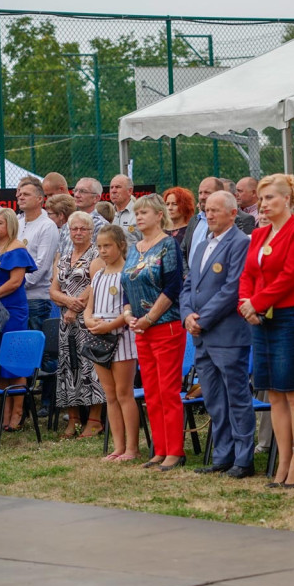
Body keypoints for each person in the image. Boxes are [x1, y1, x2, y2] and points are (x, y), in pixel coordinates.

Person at [239, 174, 294, 487]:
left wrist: (255, 302)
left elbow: (290, 276)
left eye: (270, 198)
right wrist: (246, 302)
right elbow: (247, 273)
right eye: (262, 198)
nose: (264, 203)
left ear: (287, 200)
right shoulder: (258, 234)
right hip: (261, 319)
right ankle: (282, 463)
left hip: (290, 316)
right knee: (274, 394)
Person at [181, 191, 255, 477]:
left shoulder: (240, 243)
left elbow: (233, 288)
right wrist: (188, 314)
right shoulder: (201, 246)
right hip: (201, 335)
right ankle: (223, 455)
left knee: (236, 397)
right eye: (206, 210)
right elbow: (189, 285)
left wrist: (204, 319)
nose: (209, 215)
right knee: (213, 398)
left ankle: (243, 458)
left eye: (215, 210)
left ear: (233, 213)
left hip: (227, 334)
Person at [122, 194, 187, 471]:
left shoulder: (168, 245)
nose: (139, 217)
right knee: (150, 392)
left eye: (145, 212)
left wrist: (149, 318)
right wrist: (128, 314)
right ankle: (159, 450)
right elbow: (127, 284)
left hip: (165, 326)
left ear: (160, 215)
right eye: (137, 213)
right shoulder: (134, 248)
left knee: (167, 391)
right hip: (140, 329)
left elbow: (172, 288)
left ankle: (175, 450)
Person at [84, 225, 139, 461]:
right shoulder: (98, 275)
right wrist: (89, 321)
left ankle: (132, 448)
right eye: (99, 247)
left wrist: (109, 325)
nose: (103, 251)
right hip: (99, 338)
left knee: (124, 392)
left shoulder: (129, 272)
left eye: (108, 246)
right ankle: (118, 446)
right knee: (110, 395)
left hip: (122, 337)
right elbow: (90, 307)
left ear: (121, 245)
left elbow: (132, 308)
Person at [50, 211, 105, 438]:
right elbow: (52, 289)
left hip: (88, 319)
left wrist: (74, 307)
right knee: (67, 368)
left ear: (92, 232)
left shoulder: (97, 254)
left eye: (84, 229)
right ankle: (73, 419)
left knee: (90, 368)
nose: (79, 232)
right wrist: (65, 303)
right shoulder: (63, 257)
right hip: (66, 322)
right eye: (75, 229)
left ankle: (94, 420)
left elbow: (95, 284)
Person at [0, 207, 37, 432]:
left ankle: (17, 412)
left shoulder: (17, 249)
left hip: (12, 311)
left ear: (10, 225)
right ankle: (4, 412)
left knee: (14, 360)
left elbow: (15, 282)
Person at [16, 177, 59, 417]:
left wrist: (16, 285)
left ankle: (48, 402)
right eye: (19, 194)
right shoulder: (18, 222)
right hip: (15, 299)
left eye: (26, 194)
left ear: (40, 199)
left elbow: (42, 266)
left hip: (36, 298)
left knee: (42, 353)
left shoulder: (47, 226)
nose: (20, 197)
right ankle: (23, 404)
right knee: (22, 353)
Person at [185, 177, 255, 261]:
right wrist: (187, 273)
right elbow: (184, 249)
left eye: (207, 192)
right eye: (200, 193)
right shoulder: (194, 220)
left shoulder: (239, 227)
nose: (202, 197)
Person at [61, 178, 108, 258]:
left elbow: (100, 258)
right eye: (75, 190)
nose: (76, 195)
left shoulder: (102, 226)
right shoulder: (67, 224)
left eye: (83, 191)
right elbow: (58, 255)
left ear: (96, 198)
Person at [108, 174, 141, 242]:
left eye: (118, 187)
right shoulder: (106, 214)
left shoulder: (139, 213)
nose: (113, 191)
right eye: (111, 187)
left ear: (129, 191)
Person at [163, 186, 195, 252]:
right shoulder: (160, 231)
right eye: (167, 204)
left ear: (185, 206)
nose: (170, 208)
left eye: (174, 204)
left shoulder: (191, 231)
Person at [46, 193, 77, 259]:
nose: (47, 217)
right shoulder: (62, 230)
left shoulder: (70, 232)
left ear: (61, 215)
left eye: (49, 214)